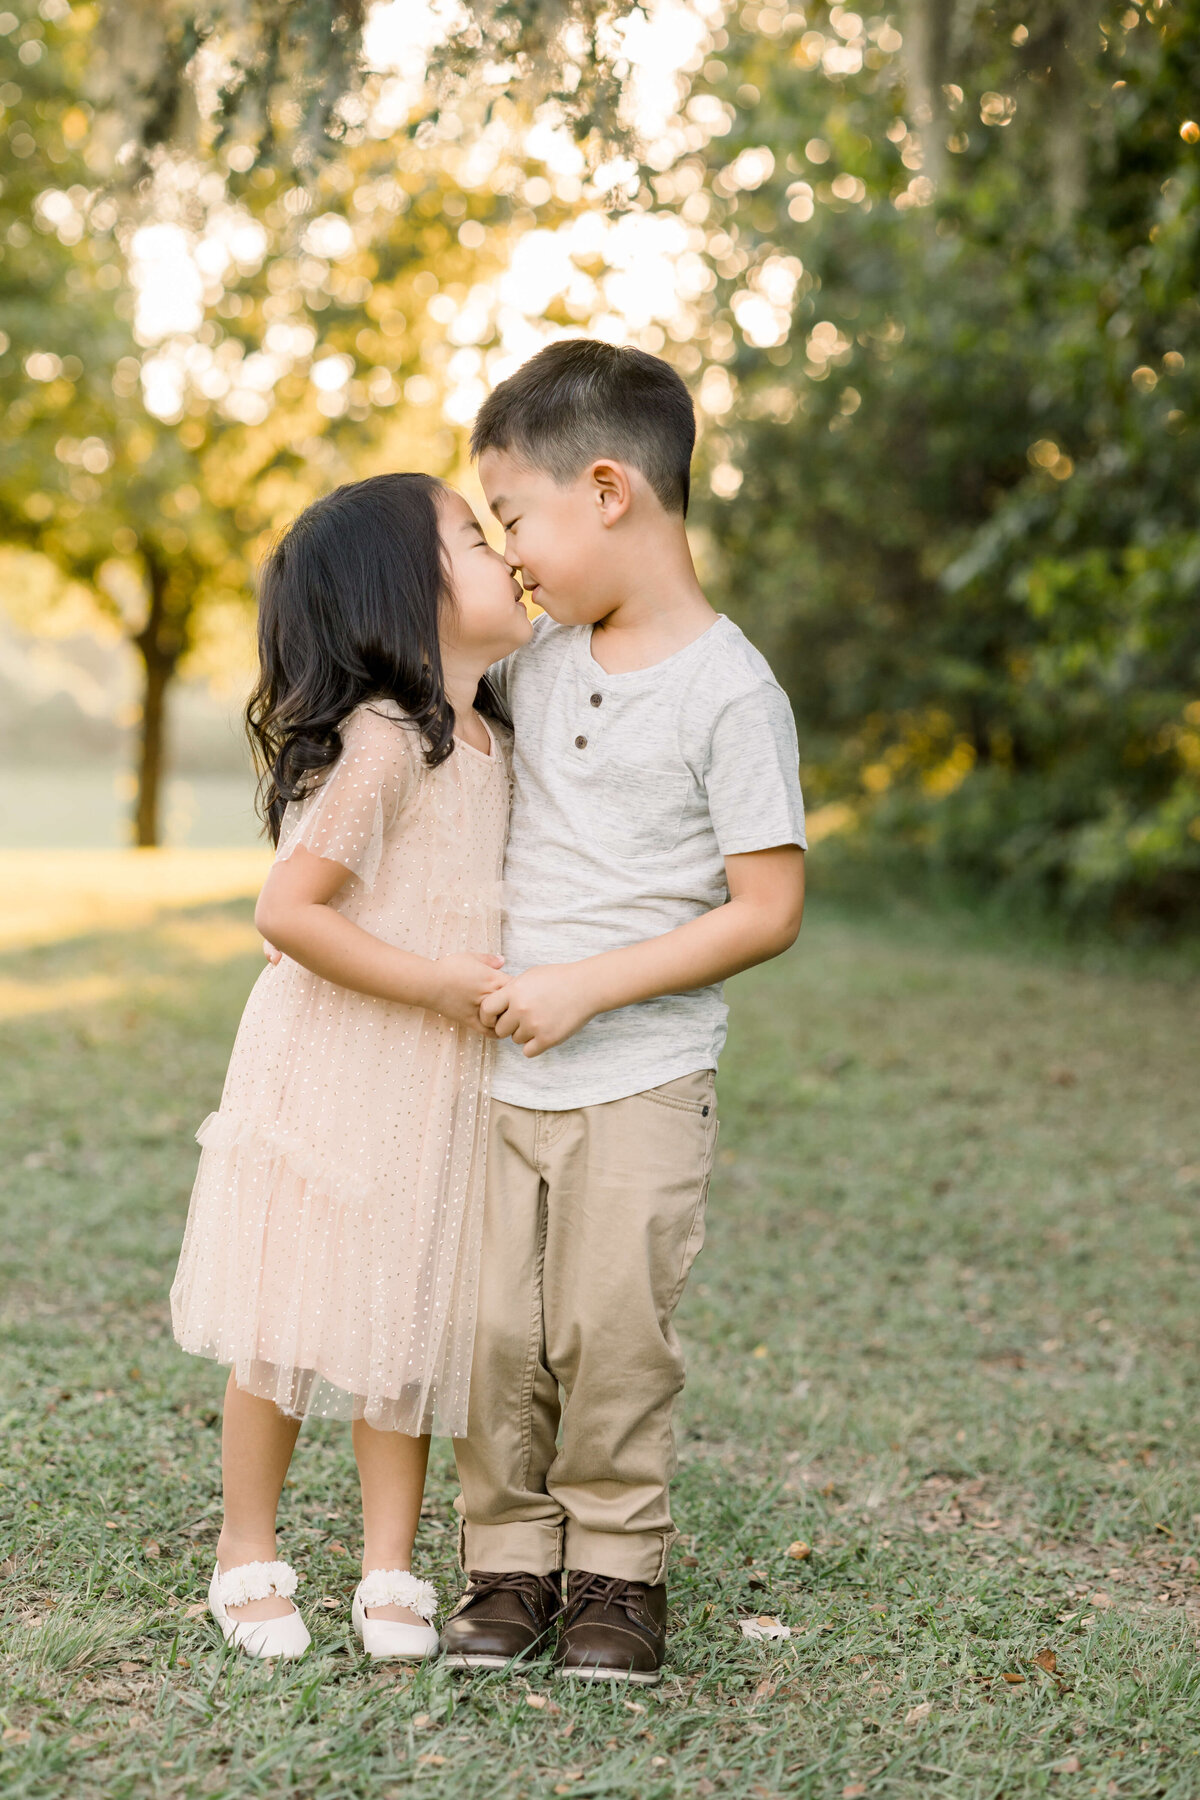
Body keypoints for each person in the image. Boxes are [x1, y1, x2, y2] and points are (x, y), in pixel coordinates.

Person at [440, 341, 807, 1684]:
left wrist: (590, 984)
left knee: (611, 1332)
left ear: (607, 491)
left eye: (515, 519)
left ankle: (616, 1576)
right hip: (502, 1077)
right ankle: (506, 1565)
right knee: (490, 1333)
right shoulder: (536, 666)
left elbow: (765, 909)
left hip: (641, 1073)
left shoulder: (731, 692)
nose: (514, 557)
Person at [170, 472, 531, 1662]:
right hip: (335, 1065)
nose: (507, 554)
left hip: (431, 1086)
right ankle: (246, 1549)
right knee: (287, 1317)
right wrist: (434, 982)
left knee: (403, 1324)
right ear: (402, 589)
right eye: (476, 537)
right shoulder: (389, 742)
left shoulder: (496, 733)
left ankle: (390, 1565)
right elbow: (291, 909)